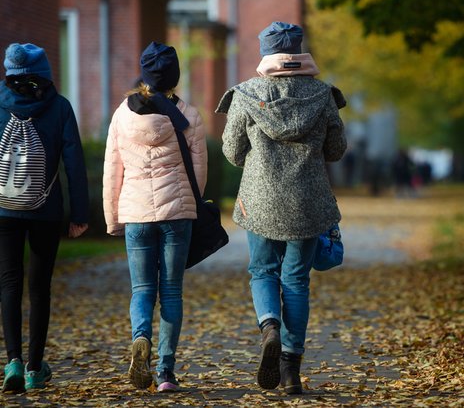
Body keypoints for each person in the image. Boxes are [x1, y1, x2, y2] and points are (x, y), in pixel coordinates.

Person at [216, 21, 346, 394]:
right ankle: (290, 370)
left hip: (260, 201)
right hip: (308, 202)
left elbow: (231, 150)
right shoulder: (322, 96)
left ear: (265, 52)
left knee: (262, 271)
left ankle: (269, 325)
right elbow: (336, 151)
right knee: (296, 281)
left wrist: (256, 163)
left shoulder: (246, 94)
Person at [103, 42, 207, 392]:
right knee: (172, 291)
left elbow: (112, 171)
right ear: (174, 77)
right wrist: (194, 206)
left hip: (136, 215)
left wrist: (112, 218)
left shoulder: (122, 115)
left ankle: (140, 338)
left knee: (142, 289)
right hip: (178, 214)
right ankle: (165, 372)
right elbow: (199, 172)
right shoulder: (189, 115)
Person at [0, 43, 89, 392]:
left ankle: (13, 364)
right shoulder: (60, 107)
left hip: (4, 210)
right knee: (39, 289)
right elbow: (74, 164)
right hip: (46, 211)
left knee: (9, 284)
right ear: (46, 74)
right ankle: (36, 367)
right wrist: (79, 214)